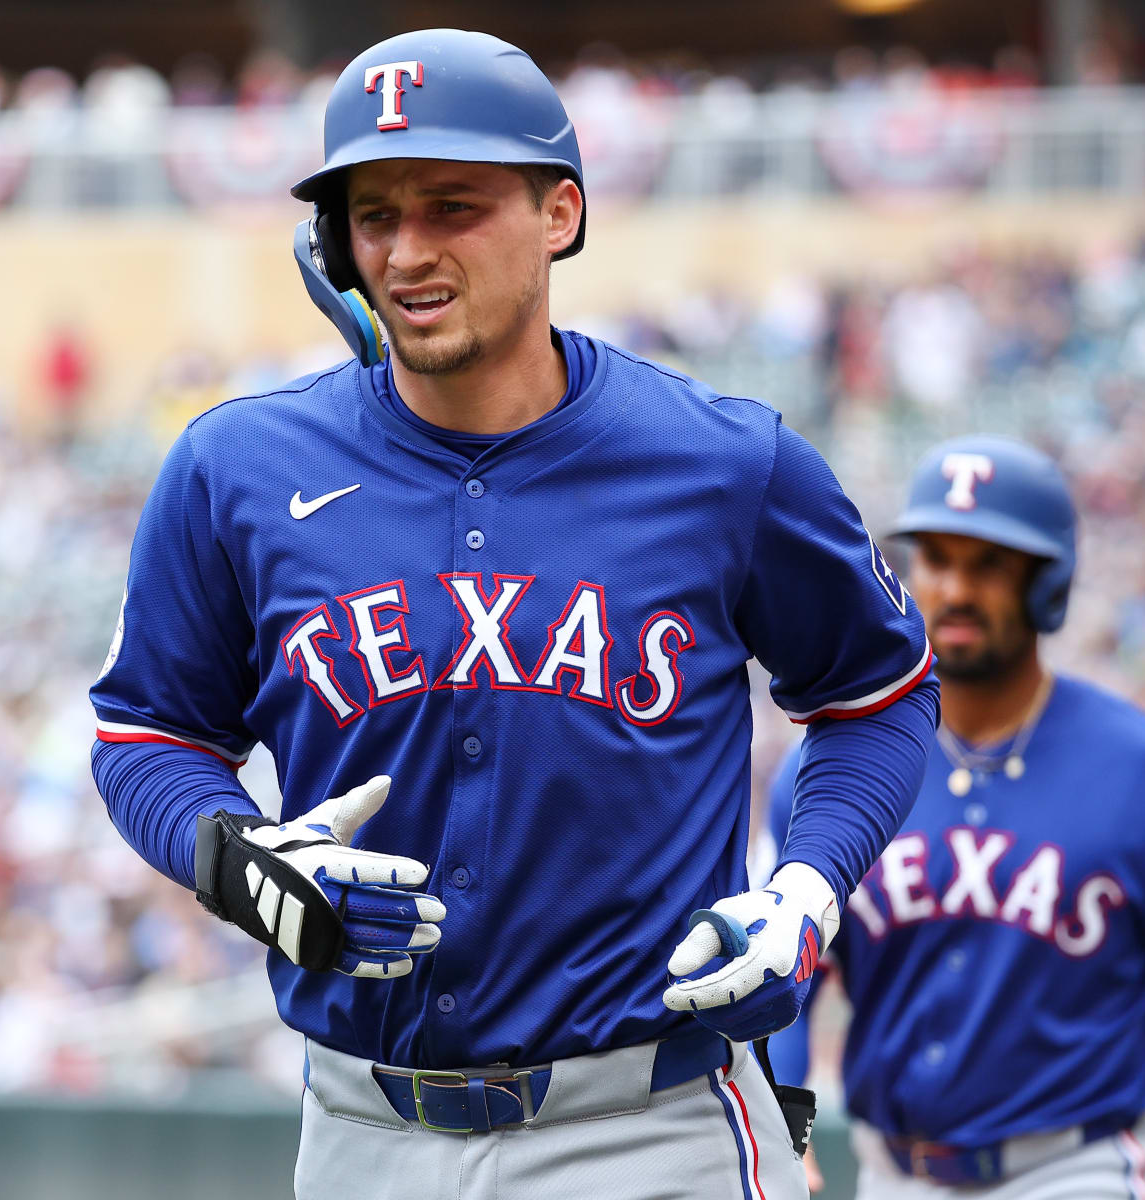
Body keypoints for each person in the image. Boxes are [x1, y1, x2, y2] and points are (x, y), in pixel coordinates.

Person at [90, 28, 938, 1199]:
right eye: (373, 215)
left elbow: (880, 701)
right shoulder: (235, 465)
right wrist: (234, 858)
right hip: (359, 1131)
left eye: (453, 206)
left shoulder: (724, 461)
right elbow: (148, 733)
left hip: (650, 1128)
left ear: (560, 214)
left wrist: (807, 888)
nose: (406, 251)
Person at [767, 435, 1145, 1199]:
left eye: (989, 564)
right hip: (893, 1172)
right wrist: (786, 1127)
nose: (955, 588)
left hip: (1078, 1167)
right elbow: (786, 977)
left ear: (1047, 579)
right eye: (935, 557)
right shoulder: (832, 768)